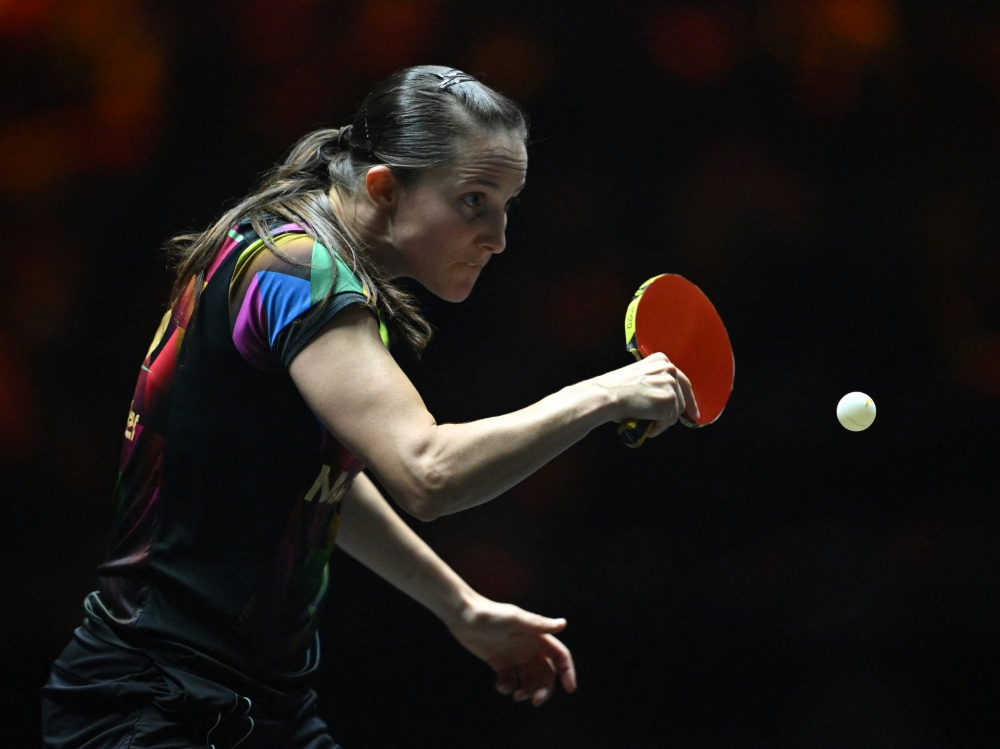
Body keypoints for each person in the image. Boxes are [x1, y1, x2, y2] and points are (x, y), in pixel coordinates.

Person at [42, 64, 697, 748]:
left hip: (259, 704)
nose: (498, 236)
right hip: (155, 704)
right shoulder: (298, 272)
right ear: (384, 188)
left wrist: (461, 607)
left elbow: (320, 475)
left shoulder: (296, 255)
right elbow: (427, 472)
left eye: (507, 204)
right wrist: (602, 394)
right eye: (474, 200)